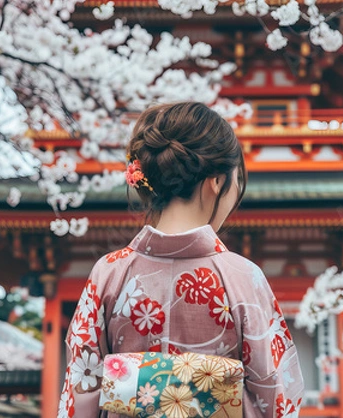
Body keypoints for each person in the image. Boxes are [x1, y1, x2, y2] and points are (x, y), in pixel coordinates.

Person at [57, 102, 304, 418]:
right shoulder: (244, 277)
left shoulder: (109, 273)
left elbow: (81, 390)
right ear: (217, 181)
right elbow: (277, 398)